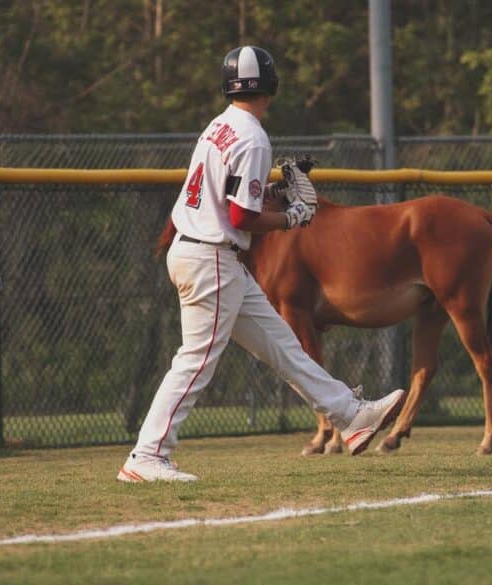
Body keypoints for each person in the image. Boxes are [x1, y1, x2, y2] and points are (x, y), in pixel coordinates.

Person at [118, 46, 407, 483]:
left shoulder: (218, 126)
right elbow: (240, 217)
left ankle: (351, 417)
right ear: (271, 85)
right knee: (195, 361)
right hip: (211, 256)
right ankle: (147, 454)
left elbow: (232, 202)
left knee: (285, 348)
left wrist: (274, 198)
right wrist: (292, 217)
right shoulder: (253, 136)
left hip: (202, 251)